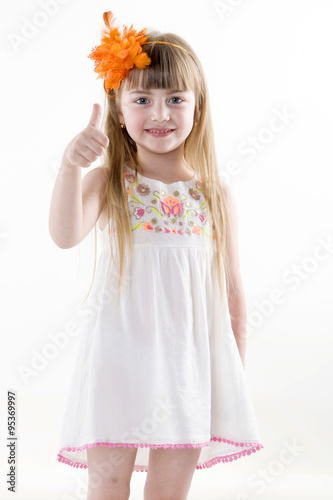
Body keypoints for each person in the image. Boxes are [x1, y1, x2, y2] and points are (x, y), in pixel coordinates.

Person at [49, 10, 264, 500]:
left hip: (189, 370)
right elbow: (65, 235)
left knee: (170, 490)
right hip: (117, 364)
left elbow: (232, 292)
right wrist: (68, 167)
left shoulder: (212, 196)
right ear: (118, 111)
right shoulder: (110, 184)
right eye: (143, 99)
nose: (161, 113)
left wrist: (231, 378)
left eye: (175, 99)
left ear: (197, 107)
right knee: (106, 482)